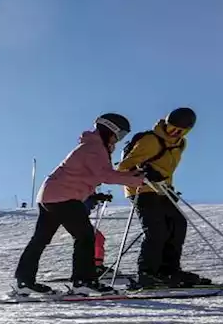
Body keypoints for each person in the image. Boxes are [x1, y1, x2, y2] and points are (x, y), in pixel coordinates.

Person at [13, 114, 145, 297]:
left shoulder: (92, 146)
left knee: (40, 239)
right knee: (85, 236)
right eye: (119, 134)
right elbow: (105, 175)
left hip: (50, 196)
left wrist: (94, 193)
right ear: (109, 129)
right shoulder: (94, 148)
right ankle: (83, 281)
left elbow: (83, 175)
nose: (119, 139)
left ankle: (24, 281)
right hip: (63, 197)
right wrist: (138, 179)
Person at [117, 107, 208, 287]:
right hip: (141, 189)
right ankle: (147, 273)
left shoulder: (181, 143)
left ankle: (168, 271)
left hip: (163, 189)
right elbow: (123, 167)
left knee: (177, 225)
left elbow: (166, 169)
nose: (173, 132)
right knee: (156, 230)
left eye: (179, 131)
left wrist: (167, 185)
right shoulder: (150, 140)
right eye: (170, 127)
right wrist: (145, 171)